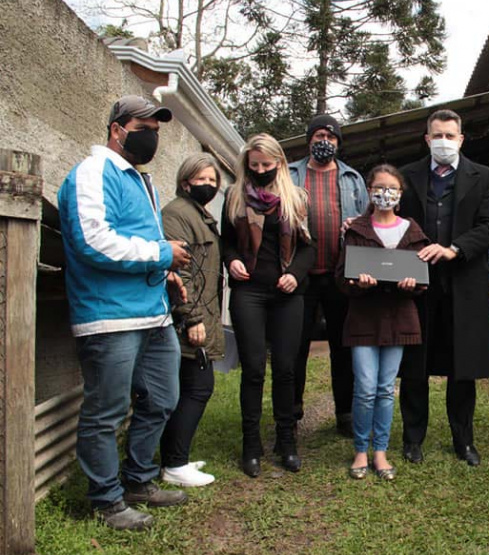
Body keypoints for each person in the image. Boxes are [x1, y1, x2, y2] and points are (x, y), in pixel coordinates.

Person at [58, 95, 192, 530]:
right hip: (110, 316)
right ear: (117, 129)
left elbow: (138, 240)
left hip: (151, 315)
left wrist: (166, 271)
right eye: (144, 127)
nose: (152, 136)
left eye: (157, 128)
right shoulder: (93, 172)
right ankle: (105, 501)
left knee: (162, 399)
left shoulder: (139, 179)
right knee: (106, 410)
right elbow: (93, 241)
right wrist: (160, 253)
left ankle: (138, 480)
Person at [397, 109, 489, 466]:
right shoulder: (408, 176)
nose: (443, 141)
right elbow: (393, 221)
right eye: (436, 135)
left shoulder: (484, 176)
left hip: (464, 282)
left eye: (450, 135)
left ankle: (464, 440)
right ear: (427, 139)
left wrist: (454, 248)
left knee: (462, 366)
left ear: (461, 138)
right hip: (417, 283)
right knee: (415, 364)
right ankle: (413, 439)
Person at [222, 133, 315, 478]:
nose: (261, 170)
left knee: (287, 368)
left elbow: (309, 247)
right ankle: (251, 444)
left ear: (279, 163)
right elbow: (227, 242)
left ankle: (286, 441)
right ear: (247, 163)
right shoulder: (234, 197)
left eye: (267, 164)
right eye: (255, 164)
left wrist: (295, 274)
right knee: (254, 368)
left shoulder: (296, 198)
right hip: (249, 291)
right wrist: (231, 261)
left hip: (287, 293)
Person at [337, 165, 430, 480]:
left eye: (392, 188)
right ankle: (361, 451)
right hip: (363, 319)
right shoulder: (356, 230)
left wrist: (412, 285)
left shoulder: (413, 230)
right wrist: (356, 284)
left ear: (400, 195)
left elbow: (422, 280)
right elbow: (341, 277)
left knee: (386, 389)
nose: (385, 193)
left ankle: (381, 452)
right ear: (369, 191)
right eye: (379, 187)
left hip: (399, 320)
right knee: (364, 388)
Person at [289, 114, 369, 437]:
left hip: (340, 273)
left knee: (343, 345)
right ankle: (291, 413)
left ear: (338, 142)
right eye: (320, 135)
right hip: (300, 273)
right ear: (309, 139)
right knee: (295, 346)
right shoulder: (291, 174)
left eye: (332, 137)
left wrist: (357, 227)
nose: (326, 141)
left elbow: (368, 222)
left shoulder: (352, 178)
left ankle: (345, 413)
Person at [159, 153, 225, 488]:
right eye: (202, 179)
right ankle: (174, 465)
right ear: (185, 182)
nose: (209, 185)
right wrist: (192, 318)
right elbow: (180, 270)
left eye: (213, 180)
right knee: (198, 388)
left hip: (203, 315)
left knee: (190, 389)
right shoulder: (177, 214)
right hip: (189, 318)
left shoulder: (200, 215)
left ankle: (176, 457)